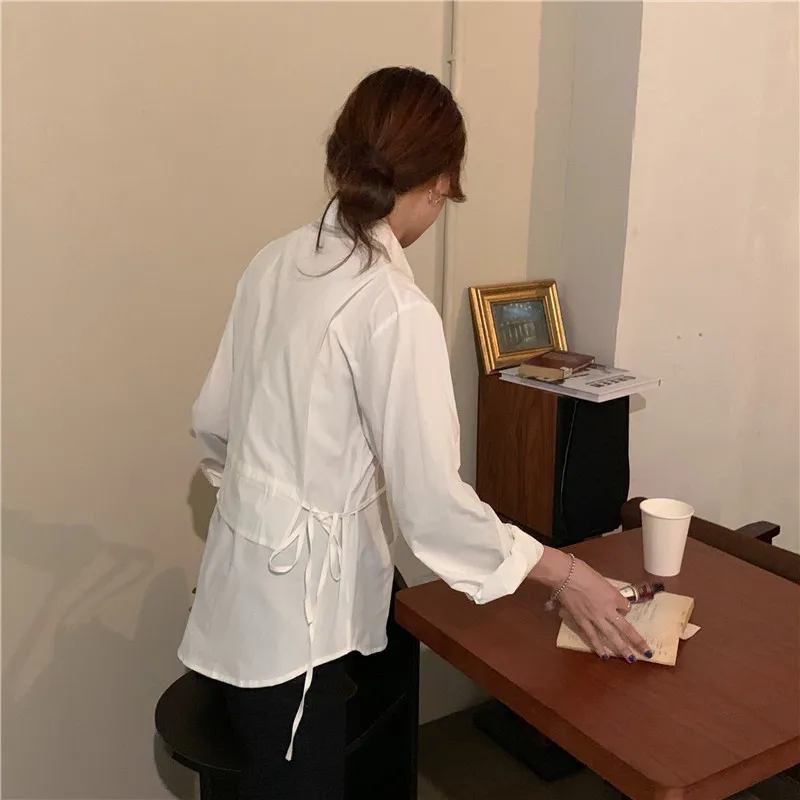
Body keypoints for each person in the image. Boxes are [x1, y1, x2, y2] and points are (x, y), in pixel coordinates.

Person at [178, 66, 650, 800]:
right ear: (439, 184)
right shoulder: (391, 307)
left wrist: (266, 502)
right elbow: (433, 507)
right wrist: (567, 573)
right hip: (296, 630)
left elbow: (214, 421)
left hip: (239, 586)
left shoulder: (276, 259)